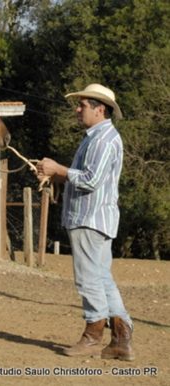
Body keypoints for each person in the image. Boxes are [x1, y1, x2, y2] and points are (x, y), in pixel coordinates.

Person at [36, 84, 134, 361]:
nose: (78, 110)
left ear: (99, 109)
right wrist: (55, 175)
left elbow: (90, 180)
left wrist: (58, 169)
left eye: (83, 105)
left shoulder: (102, 140)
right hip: (95, 218)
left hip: (89, 218)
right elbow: (86, 176)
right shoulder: (98, 137)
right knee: (102, 279)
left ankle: (93, 337)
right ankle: (121, 341)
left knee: (89, 279)